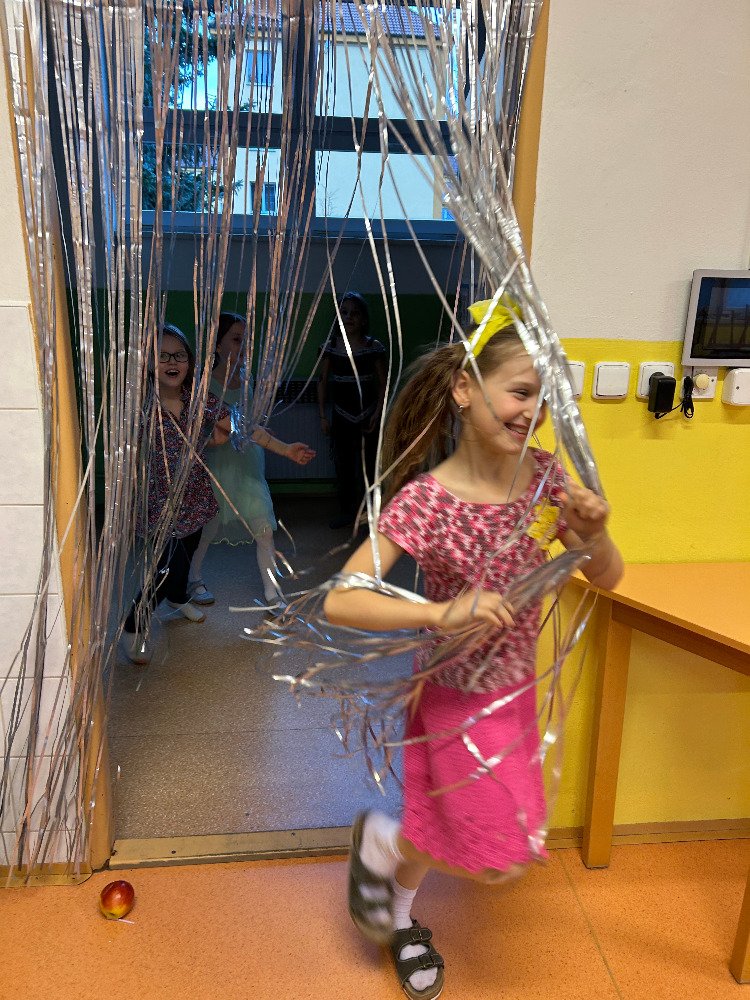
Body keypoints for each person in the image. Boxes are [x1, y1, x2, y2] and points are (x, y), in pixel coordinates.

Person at [323, 299, 623, 1000]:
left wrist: (595, 536)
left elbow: (609, 578)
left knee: (440, 826)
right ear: (465, 388)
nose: (533, 412)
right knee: (497, 854)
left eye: (544, 399)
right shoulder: (427, 502)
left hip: (512, 695)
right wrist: (440, 611)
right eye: (521, 392)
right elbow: (341, 599)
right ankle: (380, 845)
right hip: (452, 698)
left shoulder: (548, 482)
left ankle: (398, 912)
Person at [187, 312, 315, 607]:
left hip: (248, 465)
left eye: (247, 340)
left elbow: (248, 422)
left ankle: (272, 591)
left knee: (264, 527)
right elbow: (209, 426)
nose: (243, 346)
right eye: (236, 339)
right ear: (217, 345)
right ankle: (193, 578)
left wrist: (263, 432)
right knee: (207, 526)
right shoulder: (203, 384)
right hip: (216, 465)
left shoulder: (247, 378)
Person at [122, 324, 231, 666]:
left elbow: (233, 424)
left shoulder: (198, 398)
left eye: (179, 355)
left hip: (195, 496)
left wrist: (283, 448)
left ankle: (179, 598)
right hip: (160, 504)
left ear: (189, 361)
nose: (171, 361)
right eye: (162, 355)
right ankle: (133, 626)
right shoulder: (141, 405)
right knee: (167, 568)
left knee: (189, 551)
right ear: (148, 363)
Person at [317, 292, 387, 529]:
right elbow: (322, 381)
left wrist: (377, 414)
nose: (349, 317)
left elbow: (384, 384)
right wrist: (322, 416)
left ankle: (372, 514)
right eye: (344, 312)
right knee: (344, 466)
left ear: (363, 319)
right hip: (341, 415)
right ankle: (347, 512)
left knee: (370, 466)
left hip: (368, 415)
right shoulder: (330, 347)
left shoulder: (373, 347)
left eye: (355, 313)